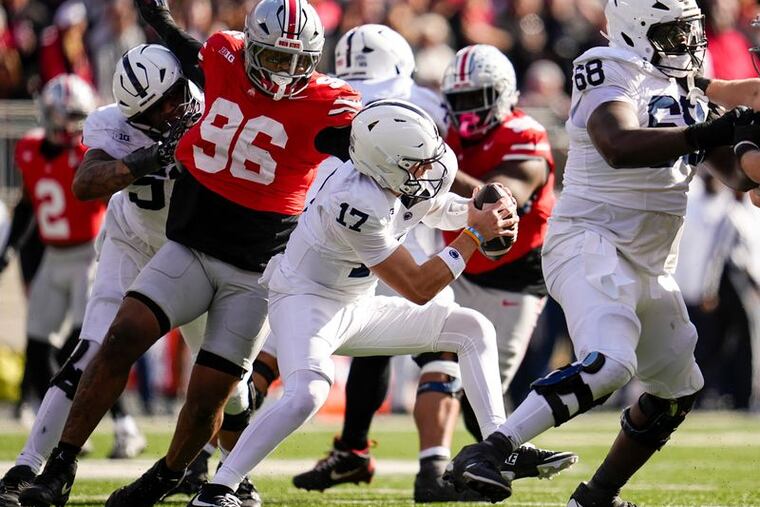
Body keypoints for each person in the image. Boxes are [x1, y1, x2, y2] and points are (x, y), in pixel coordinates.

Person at [19, 0, 361, 504]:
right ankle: (56, 468)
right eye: (272, 58)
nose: (285, 74)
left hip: (251, 266)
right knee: (116, 338)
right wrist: (158, 21)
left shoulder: (324, 102)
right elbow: (191, 54)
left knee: (211, 398)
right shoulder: (221, 61)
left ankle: (184, 478)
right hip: (182, 244)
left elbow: (376, 148)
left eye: (296, 61)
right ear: (251, 49)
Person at [443, 0, 759, 505]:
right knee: (610, 363)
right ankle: (487, 451)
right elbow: (618, 143)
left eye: (690, 32)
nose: (689, 45)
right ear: (636, 31)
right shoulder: (607, 64)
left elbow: (740, 176)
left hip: (650, 262)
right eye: (673, 34)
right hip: (592, 239)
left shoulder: (685, 90)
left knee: (676, 391)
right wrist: (715, 130)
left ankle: (597, 496)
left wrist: (750, 142)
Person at [284, 36, 576, 504]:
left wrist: (472, 197)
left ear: (502, 94)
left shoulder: (518, 132)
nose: (463, 112)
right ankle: (431, 468)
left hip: (508, 275)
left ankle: (475, 457)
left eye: (474, 101)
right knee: (423, 353)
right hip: (447, 257)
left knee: (479, 386)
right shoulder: (435, 123)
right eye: (457, 101)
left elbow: (506, 193)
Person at [189, 98, 517, 507]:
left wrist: (475, 211)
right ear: (384, 165)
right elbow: (417, 287)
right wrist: (474, 236)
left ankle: (499, 447)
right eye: (415, 165)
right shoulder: (354, 201)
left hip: (356, 303)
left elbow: (431, 207)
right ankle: (219, 487)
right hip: (306, 303)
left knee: (472, 327)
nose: (425, 171)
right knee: (306, 393)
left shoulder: (393, 172)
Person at [0, 44, 209, 507]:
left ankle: (218, 469)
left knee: (219, 370)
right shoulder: (112, 125)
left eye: (176, 95)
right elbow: (85, 183)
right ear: (136, 116)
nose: (175, 109)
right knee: (90, 351)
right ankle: (26, 466)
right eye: (161, 108)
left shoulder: (211, 106)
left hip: (193, 248)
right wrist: (152, 157)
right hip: (130, 241)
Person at [0, 74, 104, 434]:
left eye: (78, 116)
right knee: (38, 342)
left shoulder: (91, 153)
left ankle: (121, 423)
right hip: (53, 256)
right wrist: (10, 247)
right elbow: (28, 205)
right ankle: (56, 423)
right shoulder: (29, 149)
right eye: (67, 115)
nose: (72, 124)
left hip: (90, 256)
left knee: (86, 343)